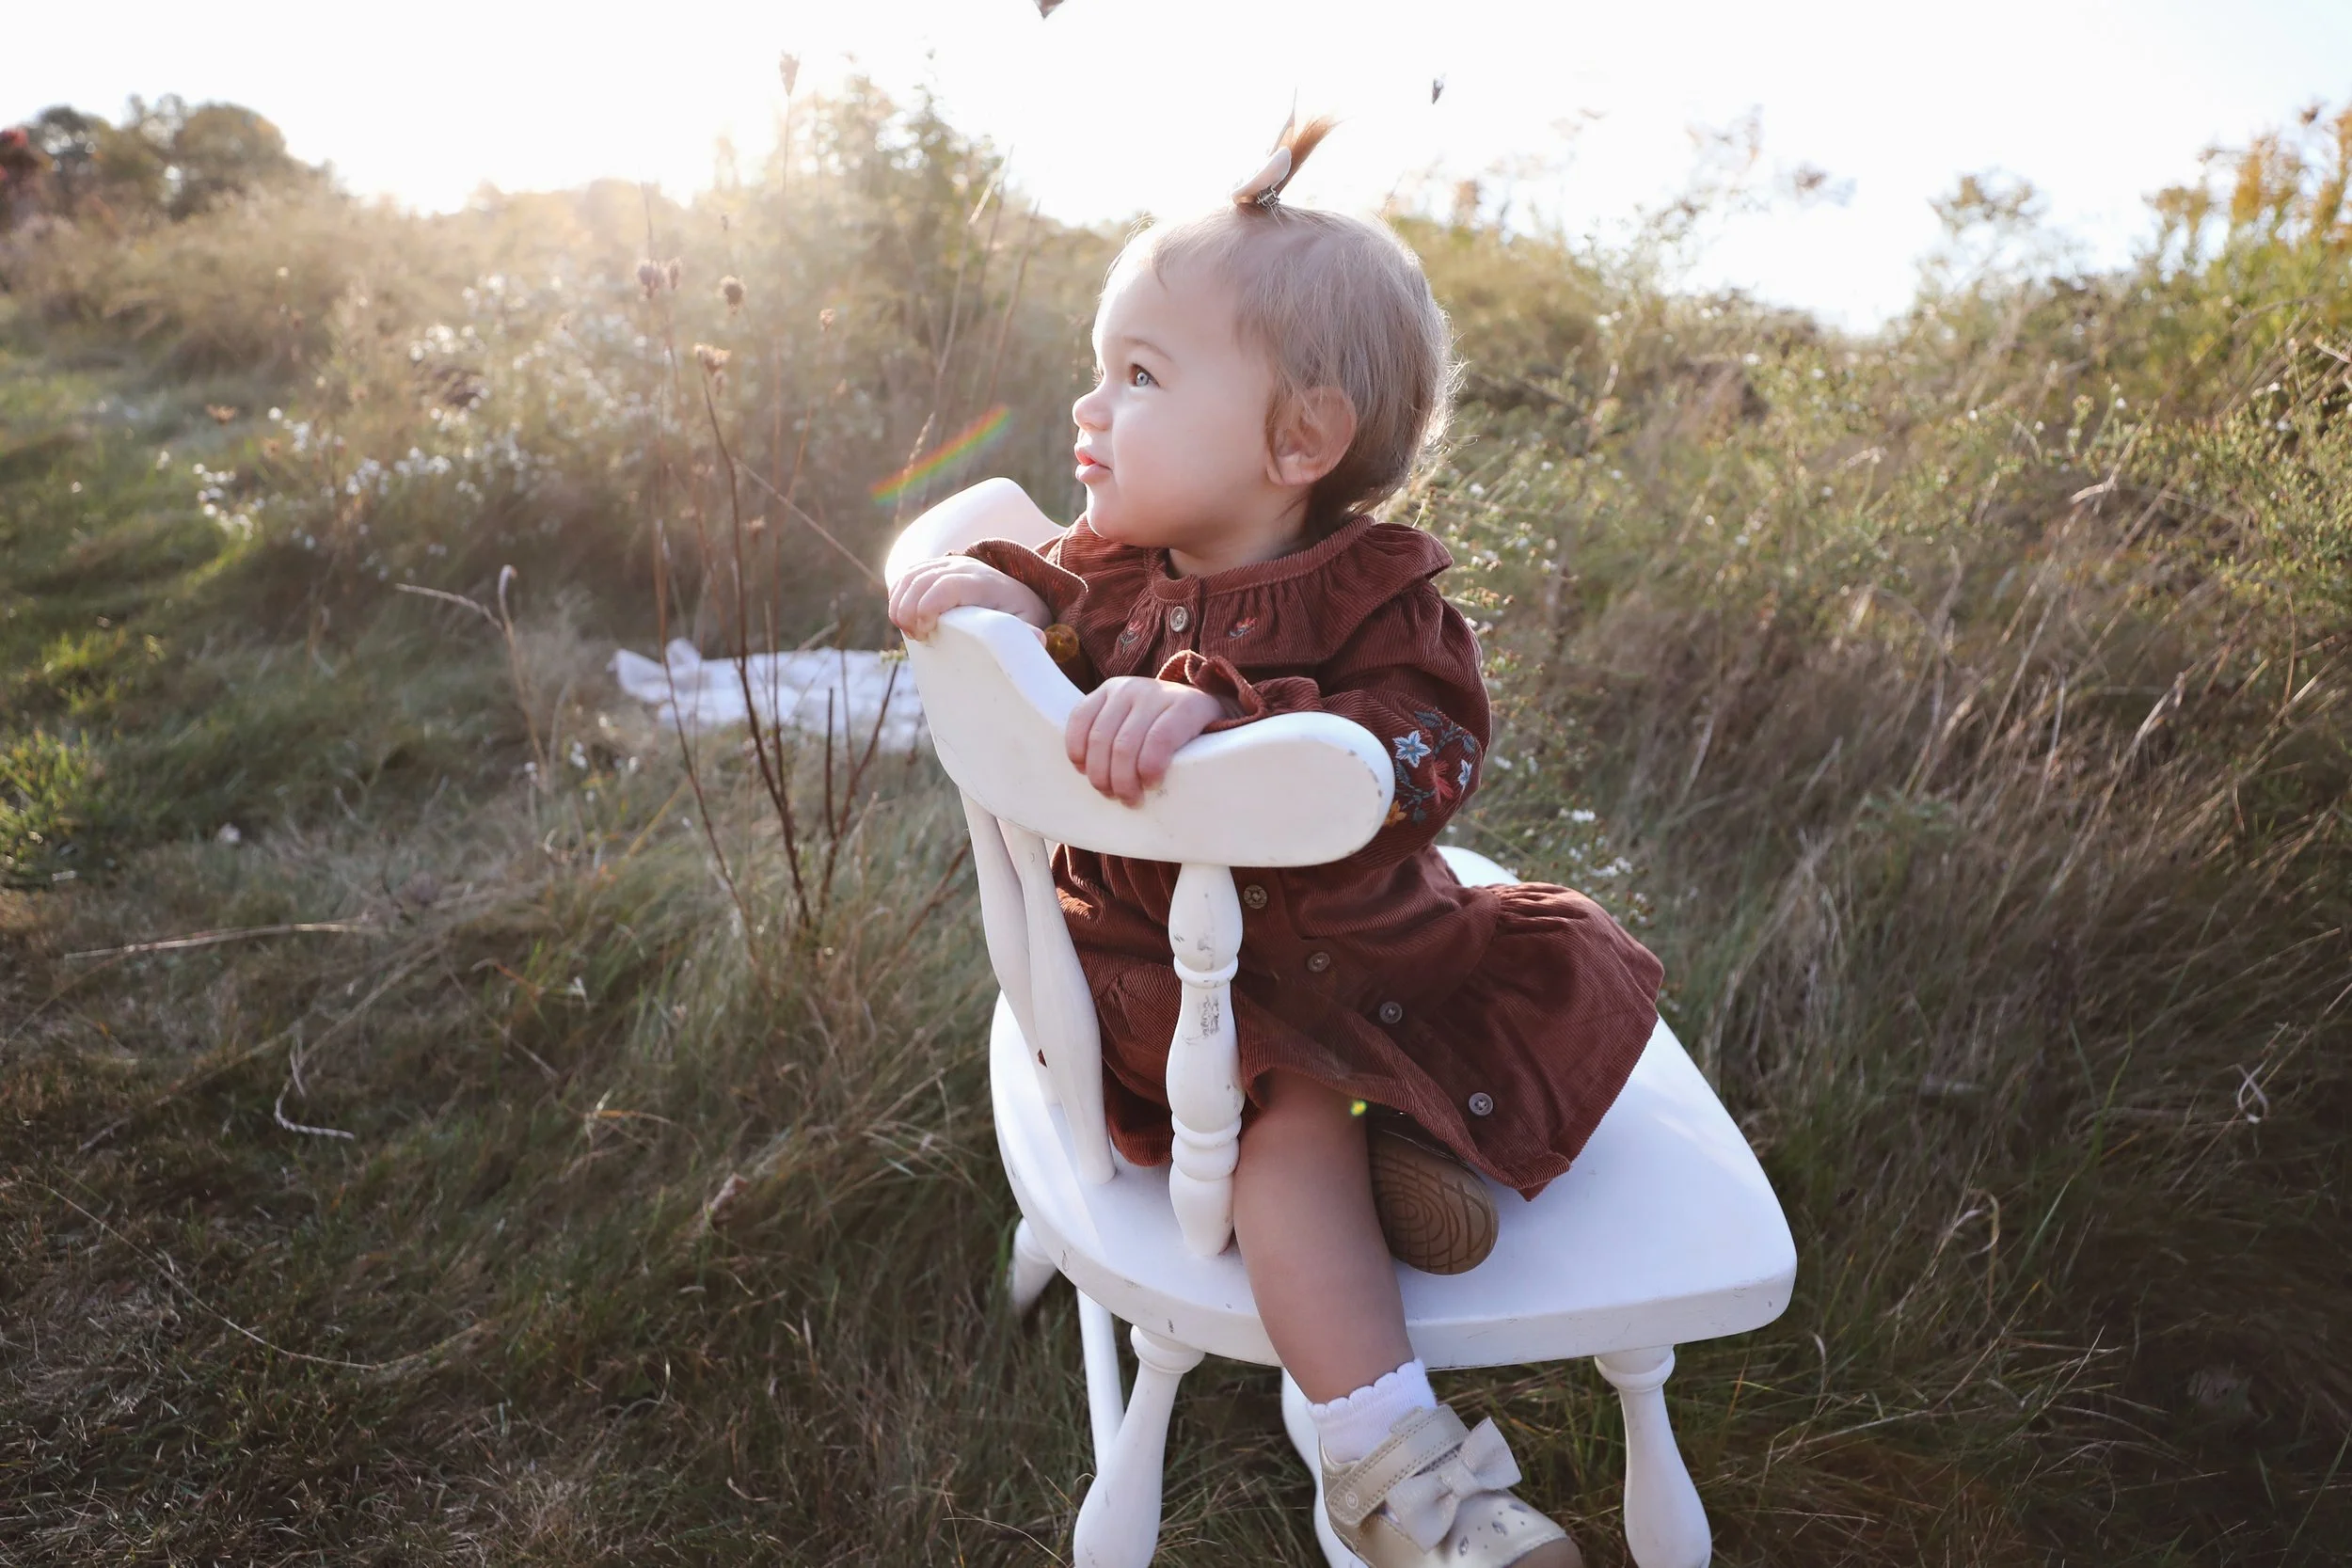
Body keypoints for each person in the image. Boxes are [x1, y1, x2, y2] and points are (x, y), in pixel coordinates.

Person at [887, 118, 1662, 1568]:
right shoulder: (1116, 569)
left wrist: (1221, 715)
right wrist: (990, 598)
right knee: (1292, 1118)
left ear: (1298, 441)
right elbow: (1039, 578)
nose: (1088, 407)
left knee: (1484, 993)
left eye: (1140, 375)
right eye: (1098, 363)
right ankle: (1393, 1467)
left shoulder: (1381, 608)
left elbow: (1415, 758)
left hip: (1344, 964)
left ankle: (1402, 1162)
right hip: (1193, 1015)